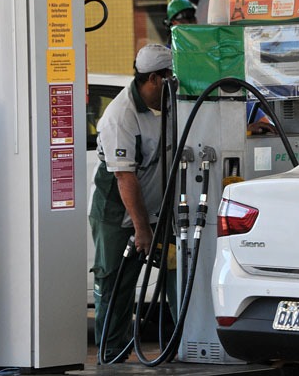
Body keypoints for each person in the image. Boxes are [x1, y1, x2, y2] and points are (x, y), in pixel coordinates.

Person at [88, 44, 174, 361]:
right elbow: (126, 178)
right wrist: (141, 229)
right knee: (116, 282)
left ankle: (178, 340)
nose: (174, 86)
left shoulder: (167, 105)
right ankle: (111, 352)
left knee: (174, 275)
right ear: (154, 78)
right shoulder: (120, 116)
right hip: (117, 213)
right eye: (169, 79)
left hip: (156, 209)